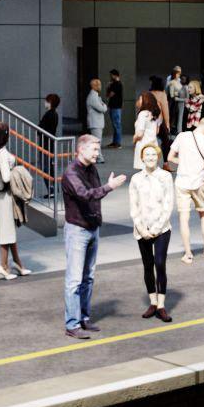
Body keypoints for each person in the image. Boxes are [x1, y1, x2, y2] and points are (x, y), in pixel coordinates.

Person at [59, 134, 123, 339]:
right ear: (82, 150)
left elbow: (93, 195)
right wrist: (109, 187)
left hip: (92, 228)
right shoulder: (71, 174)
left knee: (88, 277)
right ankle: (72, 324)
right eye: (94, 150)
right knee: (74, 280)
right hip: (77, 230)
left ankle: (83, 318)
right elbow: (85, 195)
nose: (98, 153)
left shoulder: (91, 169)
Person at [130, 142, 175, 322]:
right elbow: (134, 206)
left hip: (161, 229)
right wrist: (142, 228)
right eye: (147, 155)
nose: (150, 158)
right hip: (142, 230)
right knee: (148, 266)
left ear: (158, 157)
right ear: (142, 158)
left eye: (154, 155)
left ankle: (162, 305)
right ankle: (153, 302)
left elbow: (168, 204)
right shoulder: (136, 179)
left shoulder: (165, 177)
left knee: (160, 263)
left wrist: (156, 228)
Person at [171, 111, 204, 261]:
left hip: (182, 182)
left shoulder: (181, 136)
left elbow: (170, 157)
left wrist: (184, 162)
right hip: (199, 182)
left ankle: (188, 254)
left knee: (183, 218)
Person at [0, 122, 29, 281]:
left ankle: (17, 263)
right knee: (6, 229)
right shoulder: (2, 154)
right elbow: (5, 177)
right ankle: (3, 266)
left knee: (8, 229)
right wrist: (17, 173)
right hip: (5, 194)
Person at [130, 97, 163, 169]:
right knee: (151, 169)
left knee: (144, 170)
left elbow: (140, 134)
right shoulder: (154, 114)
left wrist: (134, 140)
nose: (138, 101)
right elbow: (157, 131)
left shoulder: (143, 114)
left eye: (140, 99)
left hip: (143, 144)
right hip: (153, 144)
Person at [82, 77, 107, 143]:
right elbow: (103, 109)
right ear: (94, 86)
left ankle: (99, 153)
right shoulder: (93, 97)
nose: (100, 86)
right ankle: (98, 154)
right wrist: (104, 105)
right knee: (97, 143)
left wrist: (103, 104)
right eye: (99, 85)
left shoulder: (95, 96)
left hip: (96, 123)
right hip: (95, 123)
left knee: (97, 142)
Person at [105, 70, 125, 147]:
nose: (110, 77)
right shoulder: (115, 84)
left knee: (117, 125)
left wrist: (108, 87)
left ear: (115, 75)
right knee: (115, 125)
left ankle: (118, 143)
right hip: (114, 107)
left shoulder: (117, 84)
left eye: (111, 75)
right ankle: (115, 142)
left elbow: (109, 95)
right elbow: (108, 95)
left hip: (115, 107)